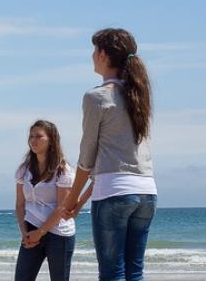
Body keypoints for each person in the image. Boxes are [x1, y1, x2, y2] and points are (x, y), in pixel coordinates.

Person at [61, 28, 156, 281]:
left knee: (112, 272)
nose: (92, 56)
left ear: (103, 54)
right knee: (134, 271)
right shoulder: (139, 96)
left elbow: (87, 156)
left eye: (94, 51)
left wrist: (71, 200)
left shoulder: (96, 97)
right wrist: (79, 201)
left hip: (114, 193)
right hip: (147, 190)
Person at [14, 121, 78, 281]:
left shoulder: (63, 170)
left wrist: (40, 232)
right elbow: (20, 205)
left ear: (51, 139)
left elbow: (62, 207)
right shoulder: (24, 170)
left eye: (39, 136)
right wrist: (25, 233)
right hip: (31, 229)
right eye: (31, 136)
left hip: (59, 233)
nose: (33, 140)